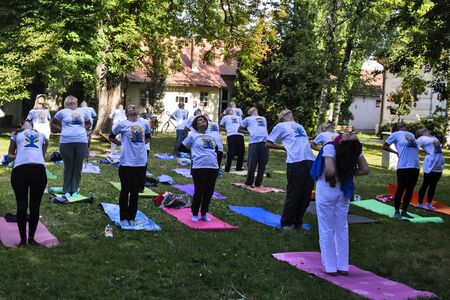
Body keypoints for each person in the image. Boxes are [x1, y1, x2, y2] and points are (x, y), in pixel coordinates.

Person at [316, 132, 369, 276]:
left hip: (328, 188)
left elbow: (330, 171)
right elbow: (365, 169)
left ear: (343, 141)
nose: (347, 133)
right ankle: (342, 266)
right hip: (344, 190)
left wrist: (335, 178)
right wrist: (348, 174)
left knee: (326, 228)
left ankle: (330, 266)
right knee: (341, 227)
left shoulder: (330, 147)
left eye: (348, 135)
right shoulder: (355, 150)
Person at [266, 108, 315, 230]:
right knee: (294, 194)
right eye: (284, 110)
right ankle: (286, 223)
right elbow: (268, 143)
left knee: (306, 194)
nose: (287, 110)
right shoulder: (280, 126)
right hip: (295, 161)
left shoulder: (299, 125)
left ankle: (298, 222)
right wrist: (282, 147)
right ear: (282, 116)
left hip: (309, 160)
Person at [109, 104, 151, 226]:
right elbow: (111, 137)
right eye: (130, 107)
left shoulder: (144, 124)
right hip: (126, 162)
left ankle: (132, 217)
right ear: (126, 112)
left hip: (140, 162)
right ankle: (123, 217)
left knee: (135, 192)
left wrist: (141, 145)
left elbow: (148, 137)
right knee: (125, 190)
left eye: (134, 107)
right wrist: (121, 143)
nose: (133, 108)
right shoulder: (122, 124)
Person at [8, 122, 48, 246]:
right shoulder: (16, 134)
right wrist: (19, 154)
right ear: (22, 127)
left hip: (37, 170)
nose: (27, 123)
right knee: (22, 205)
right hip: (21, 170)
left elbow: (42, 154)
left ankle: (31, 238)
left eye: (28, 122)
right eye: (25, 123)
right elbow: (9, 156)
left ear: (33, 127)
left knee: (34, 206)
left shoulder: (41, 135)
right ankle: (23, 239)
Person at [51, 95, 91, 199]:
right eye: (69, 99)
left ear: (77, 102)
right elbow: (53, 123)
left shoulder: (83, 112)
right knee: (68, 167)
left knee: (78, 167)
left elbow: (88, 123)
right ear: (66, 102)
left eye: (74, 99)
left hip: (81, 141)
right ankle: (66, 190)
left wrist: (83, 129)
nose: (72, 100)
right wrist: (62, 130)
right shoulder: (62, 112)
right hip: (66, 142)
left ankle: (74, 189)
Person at [181, 115, 219, 222]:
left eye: (204, 120)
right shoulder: (193, 135)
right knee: (199, 190)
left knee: (209, 191)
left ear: (207, 123)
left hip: (213, 166)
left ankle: (203, 213)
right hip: (199, 166)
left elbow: (215, 150)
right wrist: (194, 154)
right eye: (199, 120)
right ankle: (194, 213)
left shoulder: (211, 136)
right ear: (196, 124)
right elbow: (182, 147)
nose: (202, 121)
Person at [382, 122, 420, 219]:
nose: (402, 122)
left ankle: (404, 211)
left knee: (410, 189)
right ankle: (396, 211)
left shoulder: (411, 134)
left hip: (415, 165)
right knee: (401, 188)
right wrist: (396, 152)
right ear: (397, 127)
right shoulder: (395, 134)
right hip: (404, 165)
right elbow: (385, 146)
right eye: (399, 123)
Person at [416, 128, 445, 210]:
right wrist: (423, 152)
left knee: (433, 185)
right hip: (430, 163)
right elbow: (414, 148)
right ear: (420, 133)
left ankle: (429, 203)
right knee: (426, 183)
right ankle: (420, 203)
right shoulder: (421, 139)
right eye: (422, 129)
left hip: (439, 163)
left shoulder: (434, 138)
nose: (425, 128)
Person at [240, 107, 269, 187]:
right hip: (254, 142)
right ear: (250, 112)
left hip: (265, 142)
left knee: (263, 163)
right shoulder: (247, 119)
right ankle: (249, 182)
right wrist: (249, 132)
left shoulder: (263, 118)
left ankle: (258, 183)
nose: (253, 108)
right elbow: (239, 129)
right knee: (252, 163)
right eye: (250, 109)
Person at [220, 107, 245, 172]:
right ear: (227, 112)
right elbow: (220, 127)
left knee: (241, 152)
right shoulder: (225, 117)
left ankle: (239, 168)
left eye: (232, 110)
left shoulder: (239, 117)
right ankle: (227, 168)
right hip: (231, 135)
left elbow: (242, 126)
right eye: (229, 110)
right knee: (231, 152)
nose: (231, 110)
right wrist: (227, 130)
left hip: (240, 135)